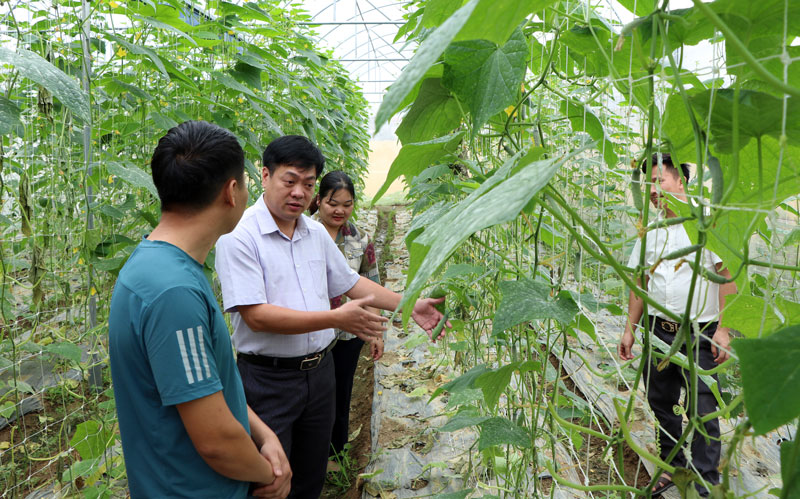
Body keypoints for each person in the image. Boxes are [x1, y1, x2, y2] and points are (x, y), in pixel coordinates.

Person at [214, 135, 447, 498]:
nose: (299, 192)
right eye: (289, 181)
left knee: (311, 476)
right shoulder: (240, 238)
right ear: (265, 175)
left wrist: (410, 303)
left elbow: (352, 282)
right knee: (270, 479)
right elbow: (256, 316)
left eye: (308, 184)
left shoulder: (314, 234)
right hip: (268, 381)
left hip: (320, 375)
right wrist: (335, 319)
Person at [108, 121, 291, 499]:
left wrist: (264, 434)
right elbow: (216, 441)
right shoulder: (173, 292)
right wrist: (267, 475)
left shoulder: (156, 266)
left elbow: (207, 386)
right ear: (231, 191)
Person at [618, 153, 737, 497]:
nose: (653, 191)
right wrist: (630, 327)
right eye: (649, 184)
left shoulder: (706, 223)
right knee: (660, 400)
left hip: (700, 332)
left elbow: (727, 277)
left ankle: (706, 479)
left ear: (679, 182)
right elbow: (639, 283)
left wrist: (724, 329)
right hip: (658, 331)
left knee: (703, 407)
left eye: (660, 181)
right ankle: (674, 467)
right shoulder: (649, 231)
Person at [309, 170, 384, 467]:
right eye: (332, 203)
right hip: (312, 331)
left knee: (341, 391)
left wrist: (376, 331)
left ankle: (335, 455)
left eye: (347, 203)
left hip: (348, 335)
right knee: (315, 396)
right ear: (319, 201)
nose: (340, 210)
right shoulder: (302, 233)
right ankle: (309, 455)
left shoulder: (360, 238)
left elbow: (372, 282)